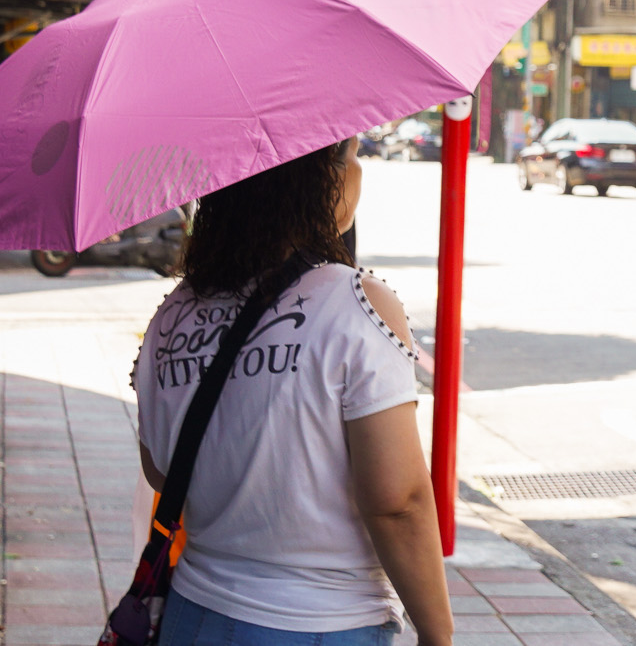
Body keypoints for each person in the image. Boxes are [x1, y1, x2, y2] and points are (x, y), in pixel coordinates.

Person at [133, 139, 451, 646]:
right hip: (318, 625)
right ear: (315, 180)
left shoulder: (174, 311)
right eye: (349, 154)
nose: (359, 169)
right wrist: (439, 636)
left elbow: (159, 469)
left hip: (190, 617)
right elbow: (399, 501)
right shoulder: (357, 303)